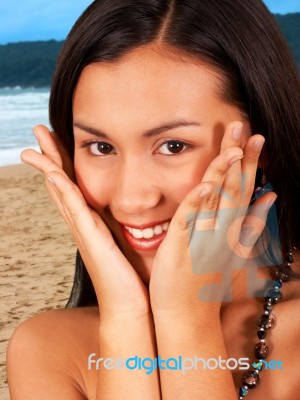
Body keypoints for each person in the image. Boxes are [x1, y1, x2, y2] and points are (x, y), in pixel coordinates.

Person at [6, 0, 300, 399]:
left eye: (174, 145)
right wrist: (126, 317)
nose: (131, 200)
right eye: (100, 147)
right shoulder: (50, 348)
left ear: (258, 145)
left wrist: (188, 320)